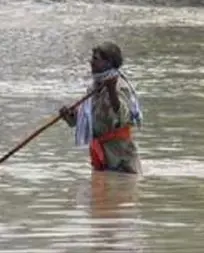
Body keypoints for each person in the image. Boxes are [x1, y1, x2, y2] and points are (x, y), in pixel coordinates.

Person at [59, 42, 143, 174]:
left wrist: (111, 91)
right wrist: (69, 115)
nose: (91, 62)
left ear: (109, 63)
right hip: (102, 157)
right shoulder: (94, 87)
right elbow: (85, 119)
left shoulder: (120, 86)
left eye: (96, 59)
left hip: (121, 158)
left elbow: (122, 116)